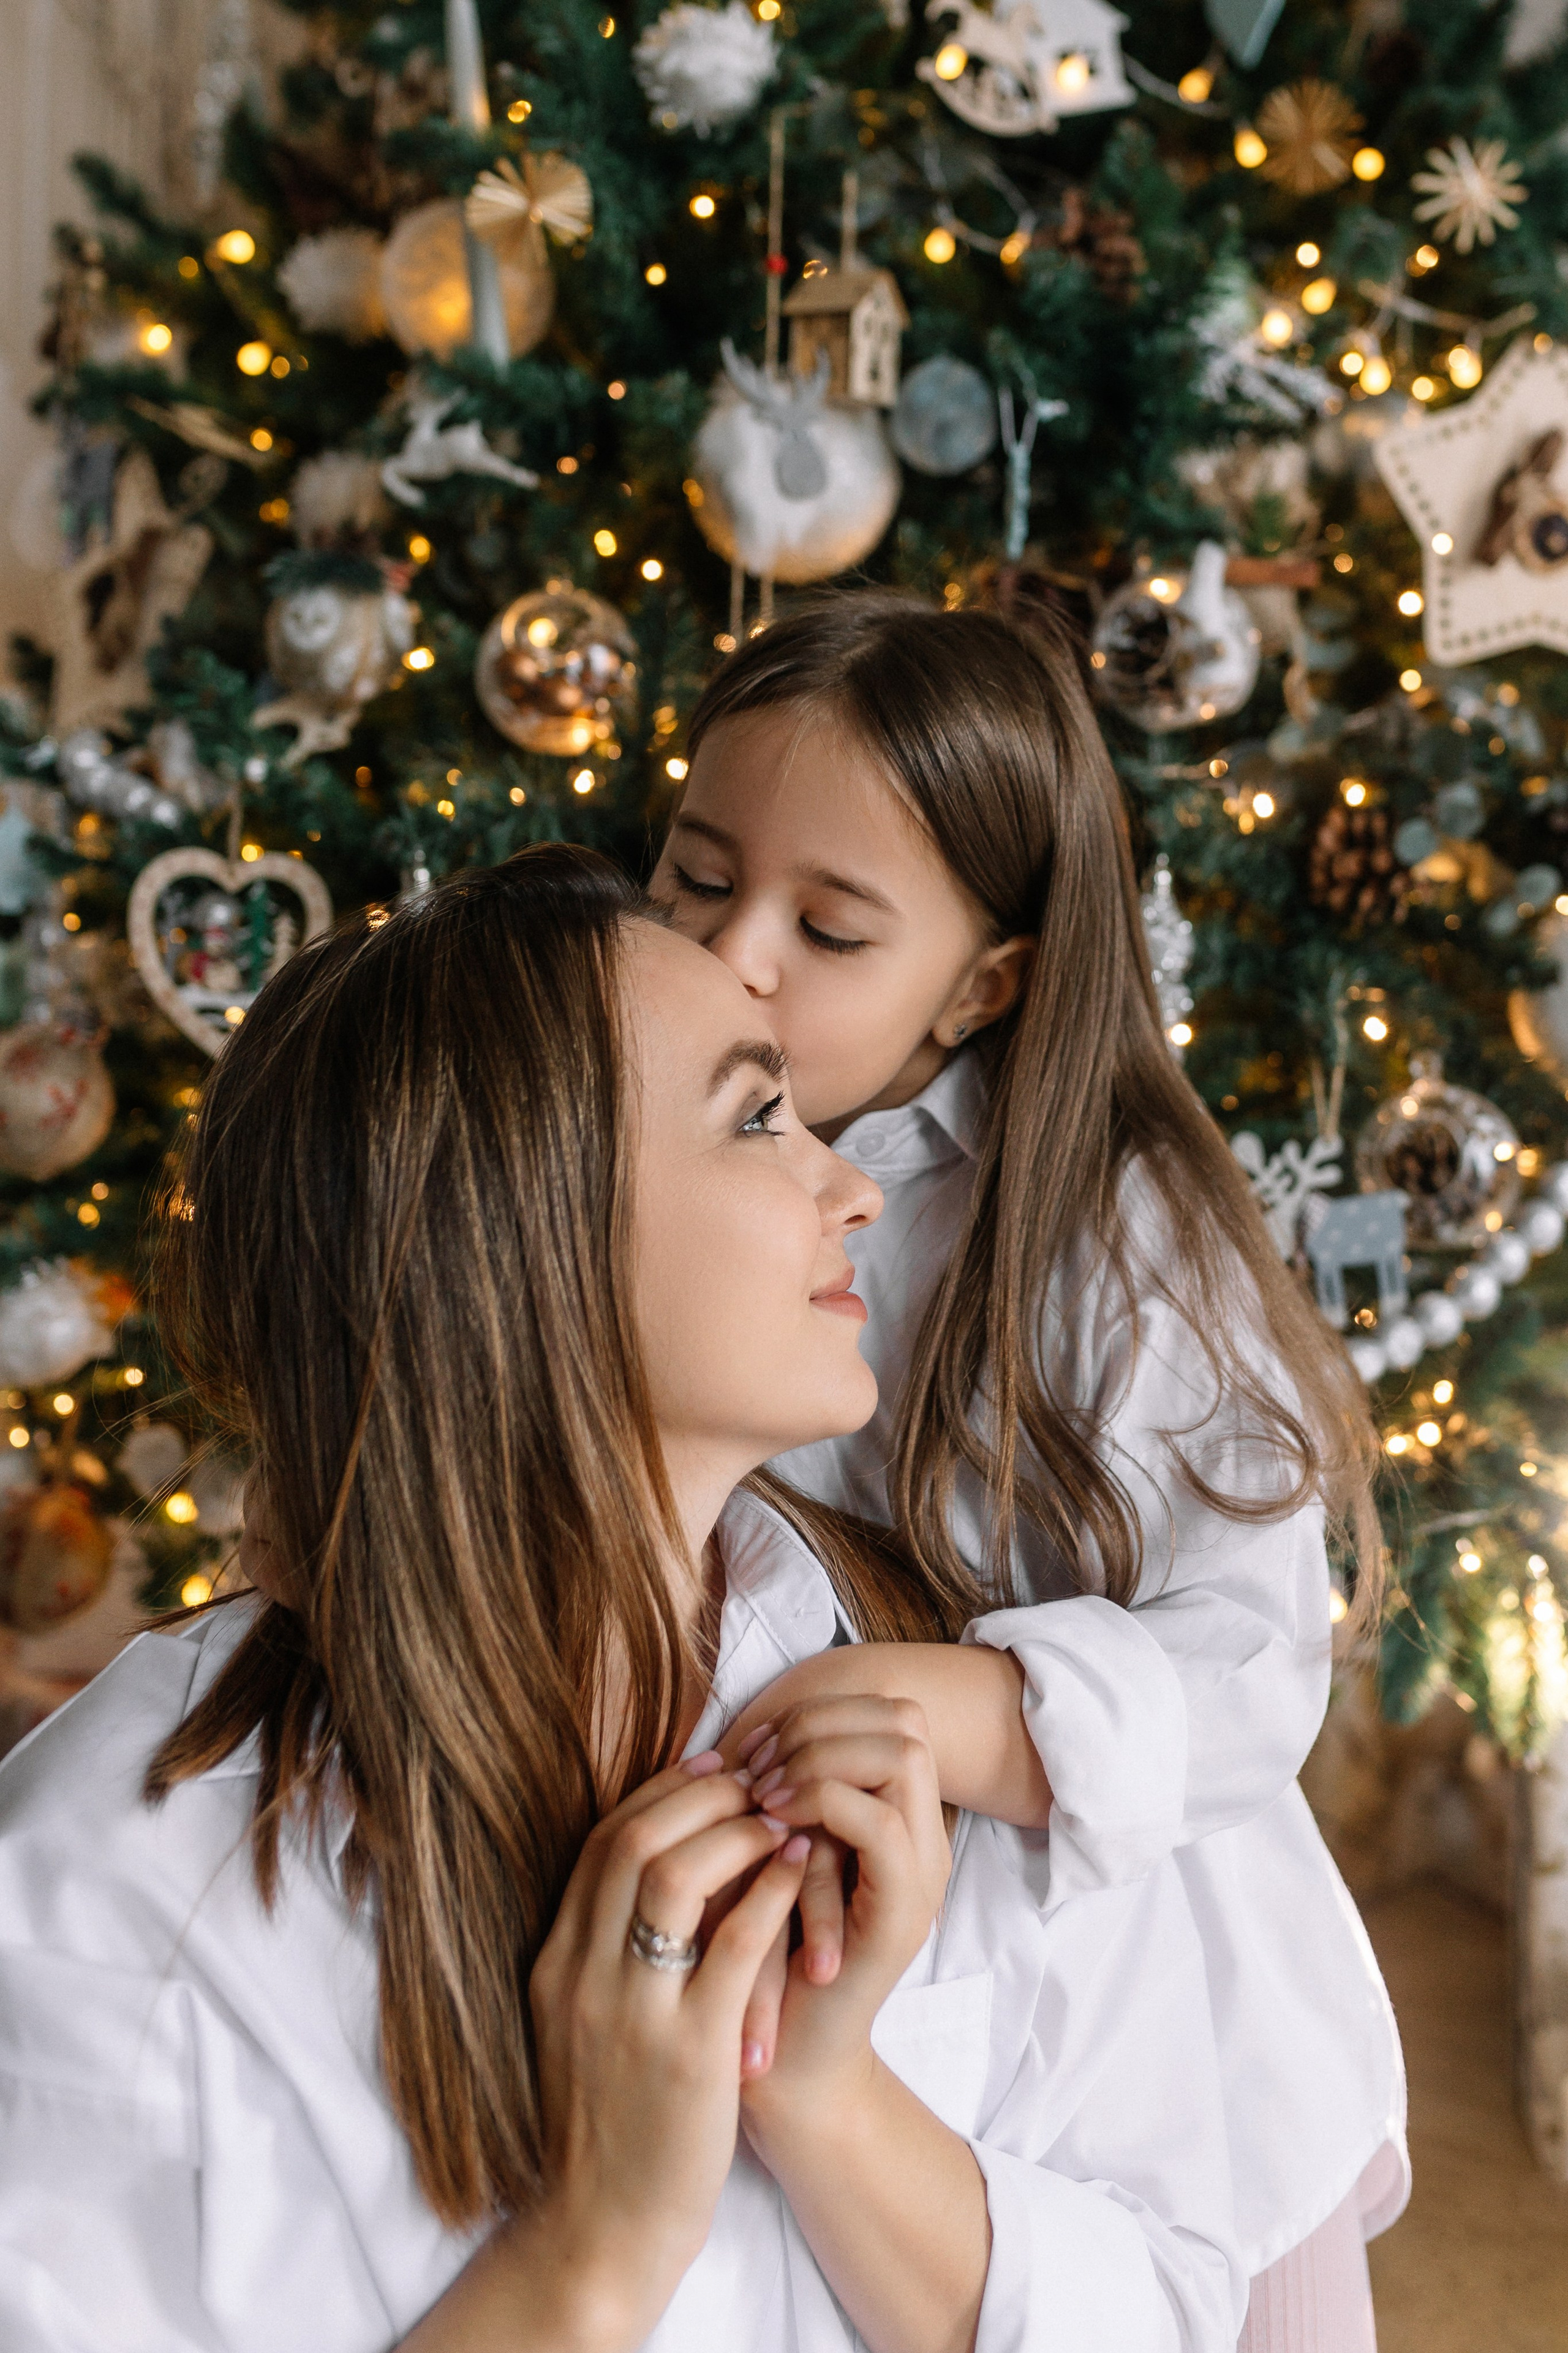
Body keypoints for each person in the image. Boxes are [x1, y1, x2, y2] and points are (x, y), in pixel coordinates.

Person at [0, 848, 1243, 2353]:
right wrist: (591, 2252)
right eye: (756, 1117)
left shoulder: (956, 1704)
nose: (853, 1187)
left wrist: (827, 2099)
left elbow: (1184, 2303)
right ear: (521, 1240)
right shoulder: (113, 1874)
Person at [650, 592, 1409, 2353]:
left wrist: (986, 1713)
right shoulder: (649, 1157)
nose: (733, 952)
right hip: (842, 1924)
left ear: (985, 982)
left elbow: (1254, 1647)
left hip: (1142, 1956)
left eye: (828, 930)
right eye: (695, 879)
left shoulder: (1108, 1222)